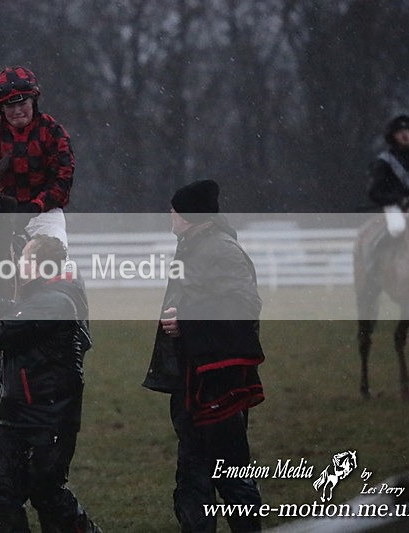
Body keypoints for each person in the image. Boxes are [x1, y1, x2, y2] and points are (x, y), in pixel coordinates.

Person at [143, 180, 265, 533]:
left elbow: (244, 306)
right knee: (194, 477)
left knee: (230, 474)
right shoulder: (194, 246)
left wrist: (186, 320)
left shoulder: (221, 249)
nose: (170, 214)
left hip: (217, 382)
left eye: (175, 209)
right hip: (193, 377)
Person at [0, 235, 100, 533]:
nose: (19, 263)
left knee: (48, 495)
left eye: (25, 257)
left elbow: (10, 329)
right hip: (20, 415)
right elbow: (21, 314)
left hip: (45, 419)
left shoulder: (55, 299)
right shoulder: (47, 295)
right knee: (4, 496)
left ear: (39, 265)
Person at [0, 66, 74, 249]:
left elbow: (62, 180)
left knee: (57, 261)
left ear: (33, 101)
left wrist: (35, 206)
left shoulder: (54, 133)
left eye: (22, 104)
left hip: (45, 215)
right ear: (1, 108)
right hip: (2, 216)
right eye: (10, 106)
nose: (17, 111)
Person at [368, 114, 409, 237]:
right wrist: (399, 199)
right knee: (397, 228)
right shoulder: (384, 162)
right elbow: (375, 191)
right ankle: (382, 254)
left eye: (407, 131)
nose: (405, 135)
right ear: (392, 137)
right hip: (394, 205)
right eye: (399, 132)